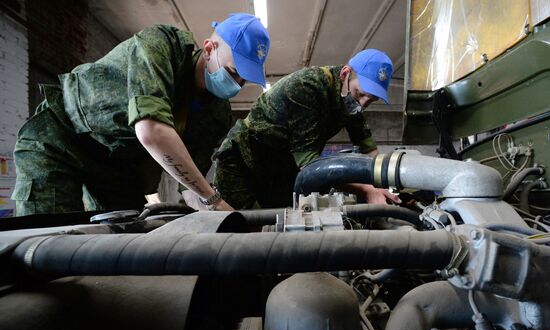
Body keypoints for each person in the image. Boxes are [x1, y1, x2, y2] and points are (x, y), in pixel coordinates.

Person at [12, 13, 269, 215]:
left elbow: (190, 187)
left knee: (126, 246)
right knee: (52, 246)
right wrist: (213, 200)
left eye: (244, 80)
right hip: (60, 139)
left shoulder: (216, 114)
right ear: (209, 48)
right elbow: (151, 131)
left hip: (116, 168)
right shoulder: (161, 46)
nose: (236, 85)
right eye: (233, 71)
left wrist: (223, 217)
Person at [213, 49, 401, 209]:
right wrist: (366, 189)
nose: (362, 104)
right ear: (345, 74)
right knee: (240, 234)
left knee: (282, 232)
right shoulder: (307, 87)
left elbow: (367, 146)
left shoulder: (350, 102)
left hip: (278, 173)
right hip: (242, 165)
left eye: (371, 100)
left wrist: (382, 184)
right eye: (360, 94)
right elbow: (310, 165)